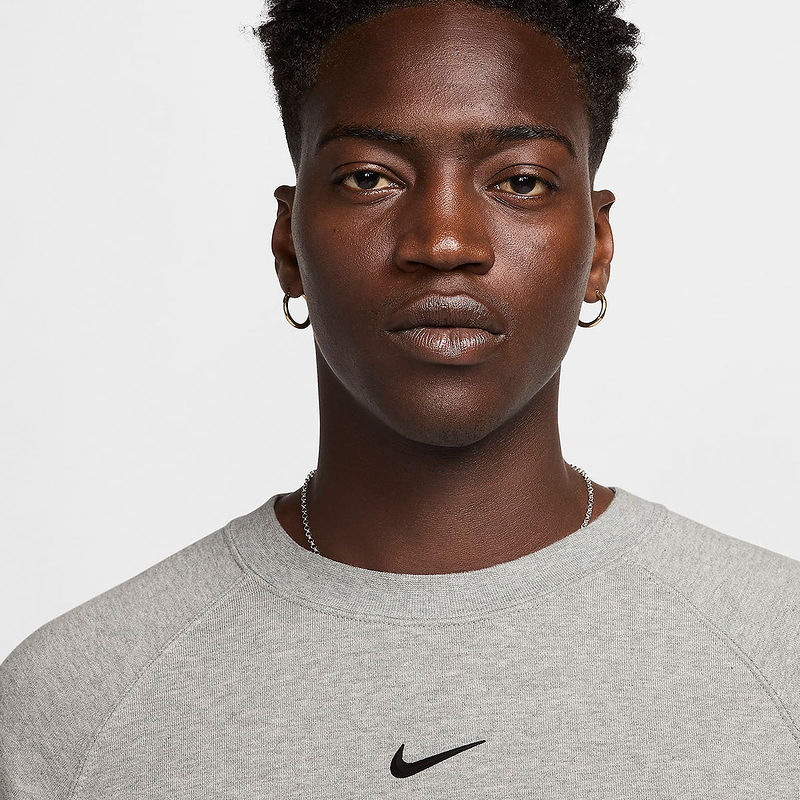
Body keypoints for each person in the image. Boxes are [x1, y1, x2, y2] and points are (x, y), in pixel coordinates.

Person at [2, 0, 799, 796]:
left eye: (520, 181)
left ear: (598, 249)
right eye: (370, 178)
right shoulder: (81, 701)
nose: (444, 242)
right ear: (288, 245)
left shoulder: (778, 655)